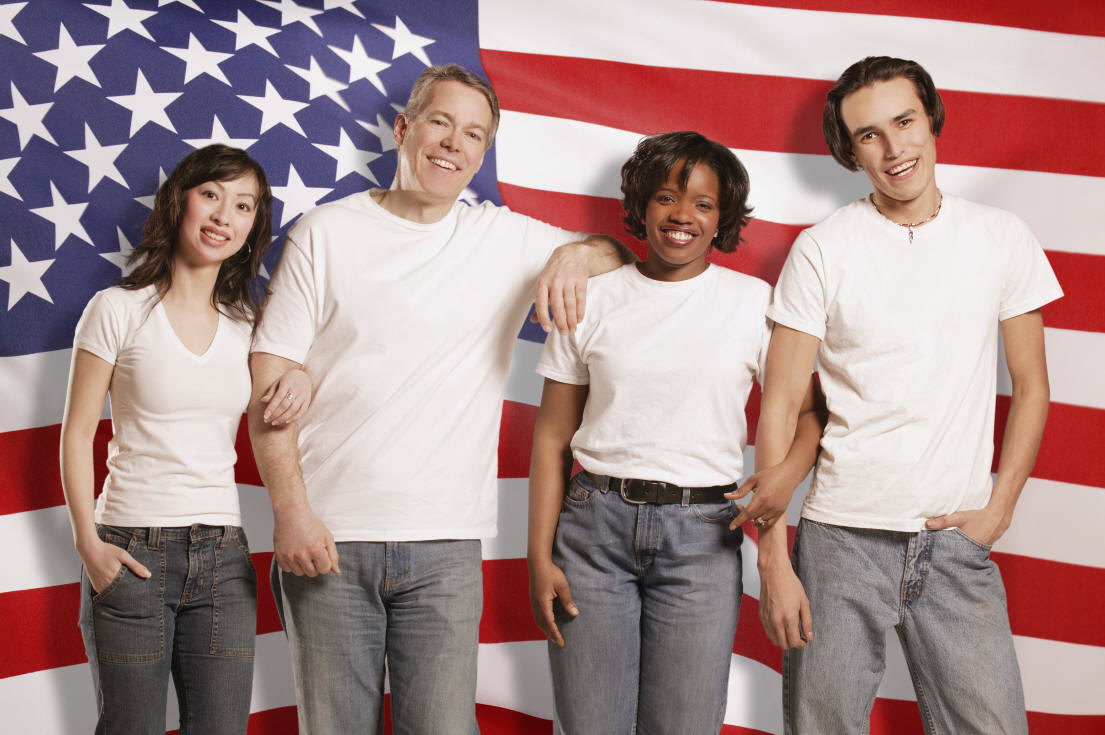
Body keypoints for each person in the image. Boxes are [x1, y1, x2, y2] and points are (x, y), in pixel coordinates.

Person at [247, 63, 634, 734]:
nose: (454, 144)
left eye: (473, 135)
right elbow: (268, 384)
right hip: (330, 535)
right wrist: (290, 512)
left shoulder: (500, 237)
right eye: (440, 123)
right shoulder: (326, 232)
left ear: (482, 155)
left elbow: (614, 257)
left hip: (446, 544)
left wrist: (573, 258)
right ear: (404, 129)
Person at [744, 56, 1062, 733]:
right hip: (838, 541)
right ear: (848, 150)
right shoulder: (822, 249)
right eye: (867, 135)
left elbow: (1031, 386)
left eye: (903, 121)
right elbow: (778, 406)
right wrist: (773, 558)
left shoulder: (999, 237)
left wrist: (998, 506)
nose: (893, 149)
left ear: (930, 119)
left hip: (952, 541)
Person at [527, 131, 824, 735]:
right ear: (640, 205)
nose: (682, 215)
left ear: (723, 219)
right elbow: (552, 437)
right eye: (666, 197)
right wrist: (538, 556)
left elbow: (810, 413)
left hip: (705, 537)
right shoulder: (594, 298)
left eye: (703, 204)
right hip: (594, 530)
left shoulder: (752, 304)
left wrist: (783, 480)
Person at [59, 144, 309, 734]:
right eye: (212, 194)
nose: (225, 215)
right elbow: (75, 437)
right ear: (181, 201)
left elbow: (296, 374)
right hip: (130, 549)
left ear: (253, 229)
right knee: (131, 726)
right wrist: (89, 547)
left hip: (223, 557)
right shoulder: (116, 309)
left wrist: (298, 372)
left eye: (244, 205)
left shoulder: (251, 327)